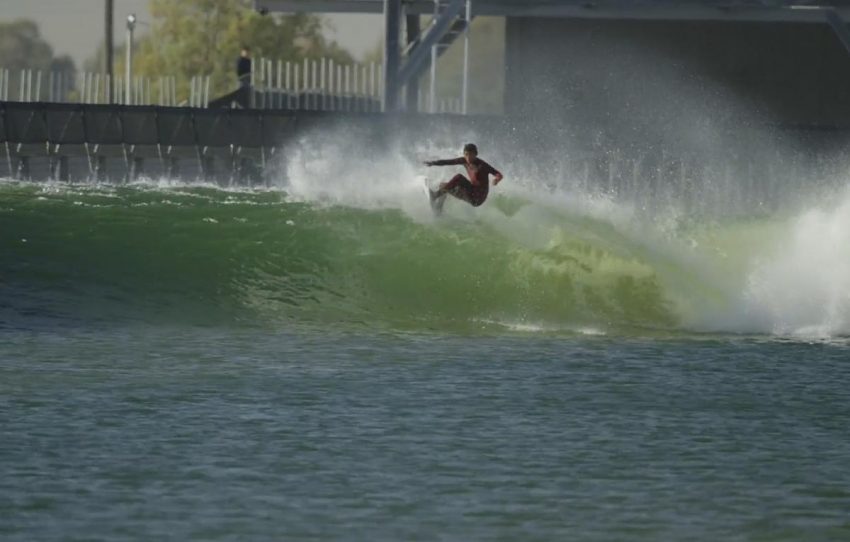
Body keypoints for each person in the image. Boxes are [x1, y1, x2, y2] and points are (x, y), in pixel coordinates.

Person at [424, 143, 503, 212]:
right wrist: (433, 163)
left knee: (458, 177)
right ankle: (438, 208)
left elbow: (498, 174)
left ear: (476, 154)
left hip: (478, 197)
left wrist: (496, 179)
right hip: (471, 192)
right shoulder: (464, 160)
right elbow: (448, 162)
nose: (468, 157)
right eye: (466, 154)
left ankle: (435, 195)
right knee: (443, 185)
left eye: (471, 154)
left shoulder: (482, 165)